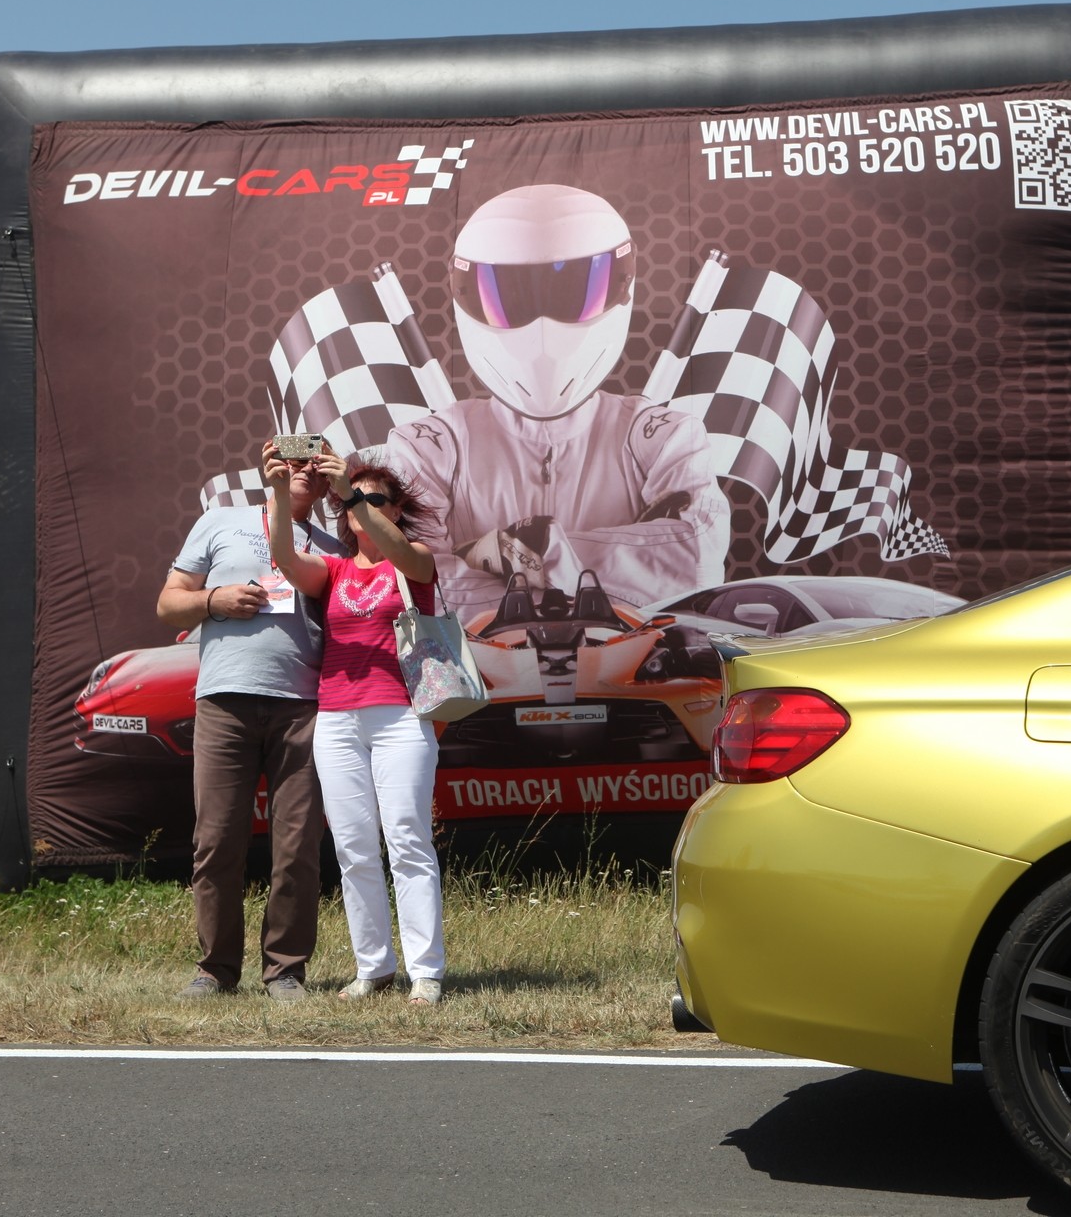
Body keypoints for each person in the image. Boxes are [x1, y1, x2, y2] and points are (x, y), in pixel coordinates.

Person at [384, 183, 730, 621]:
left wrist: (521, 555)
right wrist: (560, 561)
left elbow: (696, 562)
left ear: (623, 285)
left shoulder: (664, 437)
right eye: (511, 295)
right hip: (499, 670)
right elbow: (412, 586)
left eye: (571, 291)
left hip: (627, 665)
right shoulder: (428, 446)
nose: (543, 329)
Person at [156, 443, 345, 1003]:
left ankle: (285, 969)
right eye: (294, 458)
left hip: (304, 708)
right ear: (272, 465)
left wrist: (351, 487)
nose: (304, 469)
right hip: (224, 702)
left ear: (328, 479)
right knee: (216, 841)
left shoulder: (336, 547)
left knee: (298, 845)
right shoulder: (221, 522)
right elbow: (168, 604)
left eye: (316, 462)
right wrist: (214, 599)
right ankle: (215, 969)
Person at [265, 442, 447, 1004]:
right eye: (353, 501)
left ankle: (425, 973)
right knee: (352, 846)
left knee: (408, 839)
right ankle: (374, 967)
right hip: (337, 719)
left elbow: (405, 554)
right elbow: (284, 558)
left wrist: (348, 490)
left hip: (400, 715)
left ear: (395, 509)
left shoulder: (413, 559)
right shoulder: (336, 568)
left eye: (375, 499)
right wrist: (278, 491)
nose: (361, 507)